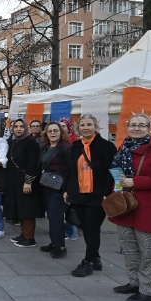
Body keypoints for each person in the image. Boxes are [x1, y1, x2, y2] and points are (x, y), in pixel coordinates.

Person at [108, 114, 151, 301]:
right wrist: (114, 190)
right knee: (130, 250)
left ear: (149, 128)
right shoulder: (123, 148)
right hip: (125, 206)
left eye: (141, 125)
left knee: (150, 252)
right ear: (127, 127)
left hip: (149, 209)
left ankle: (149, 291)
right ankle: (134, 283)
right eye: (133, 125)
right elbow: (117, 174)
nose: (136, 128)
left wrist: (136, 181)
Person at [68, 114, 117, 277]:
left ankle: (88, 262)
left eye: (89, 124)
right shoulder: (75, 146)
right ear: (78, 129)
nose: (86, 127)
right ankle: (95, 257)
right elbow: (71, 171)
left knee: (92, 228)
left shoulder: (106, 146)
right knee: (85, 227)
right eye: (82, 125)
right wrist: (67, 191)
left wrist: (106, 193)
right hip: (78, 194)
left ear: (96, 127)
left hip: (97, 195)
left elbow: (111, 172)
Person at [4, 119, 41, 248]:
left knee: (27, 209)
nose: (18, 129)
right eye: (16, 126)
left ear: (26, 128)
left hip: (26, 182)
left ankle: (30, 238)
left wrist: (28, 182)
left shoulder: (31, 143)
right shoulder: (15, 142)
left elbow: (33, 163)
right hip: (16, 181)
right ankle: (23, 234)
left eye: (21, 126)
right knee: (21, 209)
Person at [38, 122, 72, 259]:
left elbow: (71, 170)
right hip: (47, 185)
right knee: (51, 217)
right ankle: (54, 242)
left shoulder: (66, 148)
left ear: (61, 132)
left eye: (56, 131)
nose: (53, 133)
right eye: (50, 131)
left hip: (60, 188)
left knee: (55, 216)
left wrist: (67, 190)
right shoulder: (46, 147)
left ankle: (61, 247)